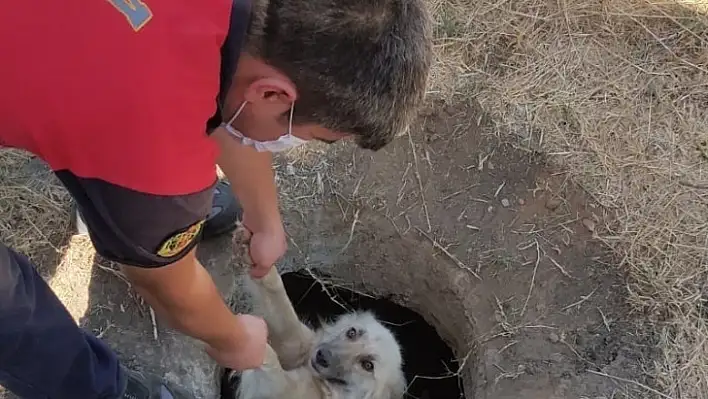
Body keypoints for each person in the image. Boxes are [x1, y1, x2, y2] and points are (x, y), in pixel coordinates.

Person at [0, 0, 433, 398]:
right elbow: (166, 288)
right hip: (118, 132)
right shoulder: (158, 160)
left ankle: (127, 210)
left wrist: (266, 219)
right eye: (314, 136)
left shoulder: (249, 24)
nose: (296, 143)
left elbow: (228, 105)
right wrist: (233, 338)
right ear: (272, 94)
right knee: (11, 304)